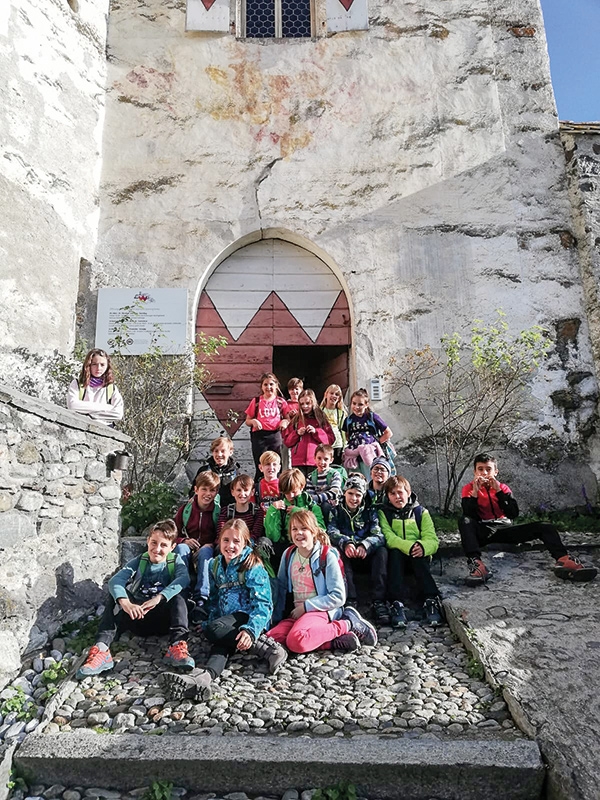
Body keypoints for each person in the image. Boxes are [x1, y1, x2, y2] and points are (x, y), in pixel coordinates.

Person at [163, 519, 287, 700]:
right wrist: (209, 620)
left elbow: (263, 604)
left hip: (250, 617)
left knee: (214, 631)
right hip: (227, 620)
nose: (230, 546)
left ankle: (268, 648)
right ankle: (203, 679)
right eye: (226, 540)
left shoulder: (252, 566)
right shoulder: (215, 565)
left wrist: (251, 631)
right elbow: (214, 598)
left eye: (236, 541)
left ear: (246, 543)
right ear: (219, 541)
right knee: (219, 642)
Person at [76, 520, 194, 678]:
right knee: (116, 593)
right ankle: (102, 649)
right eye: (154, 542)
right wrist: (126, 603)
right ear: (148, 541)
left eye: (163, 545)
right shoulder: (140, 561)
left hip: (164, 621)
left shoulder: (175, 561)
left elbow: (183, 579)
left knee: (179, 593)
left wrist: (159, 598)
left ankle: (177, 645)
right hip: (137, 616)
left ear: (172, 547)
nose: (157, 549)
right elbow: (115, 581)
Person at [459, 453, 597, 586]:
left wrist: (499, 492)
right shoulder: (468, 489)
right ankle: (477, 565)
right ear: (475, 472)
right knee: (464, 520)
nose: (484, 473)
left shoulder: (503, 488)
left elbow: (513, 513)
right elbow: (469, 514)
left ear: (496, 472)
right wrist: (475, 493)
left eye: (488, 469)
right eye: (480, 469)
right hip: (483, 530)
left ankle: (563, 560)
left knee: (545, 526)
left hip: (505, 528)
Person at [268, 510, 377, 653]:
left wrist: (306, 607)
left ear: (313, 531)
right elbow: (281, 588)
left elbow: (338, 596)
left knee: (296, 641)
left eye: (304, 528)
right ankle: (335, 641)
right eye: (294, 529)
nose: (299, 533)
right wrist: (276, 618)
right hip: (296, 613)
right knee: (271, 639)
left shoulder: (326, 556)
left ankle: (347, 624)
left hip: (320, 610)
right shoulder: (288, 554)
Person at [379, 475, 443, 629]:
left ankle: (431, 600)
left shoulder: (421, 512)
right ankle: (396, 603)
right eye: (392, 494)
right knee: (394, 552)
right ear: (387, 496)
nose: (397, 497)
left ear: (408, 492)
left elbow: (432, 540)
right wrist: (408, 546)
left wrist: (421, 546)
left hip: (418, 557)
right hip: (397, 558)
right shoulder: (384, 513)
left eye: (400, 492)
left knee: (418, 554)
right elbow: (388, 537)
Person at [326, 473, 388, 620]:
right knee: (335, 552)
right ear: (345, 493)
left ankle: (378, 601)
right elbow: (331, 531)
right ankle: (350, 601)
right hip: (347, 553)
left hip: (365, 554)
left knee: (382, 552)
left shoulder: (370, 511)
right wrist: (346, 542)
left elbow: (379, 535)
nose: (354, 498)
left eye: (358, 495)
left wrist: (365, 545)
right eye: (350, 494)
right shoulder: (336, 511)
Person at [174, 471, 220, 616]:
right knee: (181, 548)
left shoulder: (218, 511)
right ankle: (181, 591)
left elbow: (222, 533)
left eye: (212, 490)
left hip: (207, 549)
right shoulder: (186, 510)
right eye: (204, 489)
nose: (208, 494)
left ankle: (201, 598)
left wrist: (212, 544)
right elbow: (172, 534)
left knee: (205, 553)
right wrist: (183, 540)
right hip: (188, 548)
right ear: (196, 490)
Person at [264, 468, 326, 565]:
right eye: (286, 493)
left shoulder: (312, 506)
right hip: (287, 547)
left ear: (302, 487)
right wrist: (271, 512)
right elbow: (274, 537)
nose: (290, 496)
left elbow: (321, 529)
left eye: (294, 491)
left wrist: (300, 513)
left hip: (308, 547)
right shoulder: (280, 507)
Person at [245, 373, 291, 476]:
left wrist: (284, 422)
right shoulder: (256, 401)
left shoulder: (281, 402)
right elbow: (247, 420)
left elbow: (288, 419)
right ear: (262, 386)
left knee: (276, 463)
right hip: (259, 436)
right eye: (265, 384)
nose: (268, 387)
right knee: (260, 464)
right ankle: (259, 487)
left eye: (271, 384)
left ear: (276, 385)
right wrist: (253, 421)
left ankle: (276, 487)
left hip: (275, 435)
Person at [282, 389, 334, 476]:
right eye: (302, 404)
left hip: (316, 461)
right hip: (298, 461)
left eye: (307, 403)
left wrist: (316, 432)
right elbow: (287, 441)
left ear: (313, 403)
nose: (305, 406)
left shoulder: (321, 419)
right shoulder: (296, 420)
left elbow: (330, 439)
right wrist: (297, 433)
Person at [342, 389, 392, 479]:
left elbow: (388, 433)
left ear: (366, 404)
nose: (356, 407)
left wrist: (376, 444)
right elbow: (347, 436)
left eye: (360, 404)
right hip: (354, 457)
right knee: (356, 482)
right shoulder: (348, 420)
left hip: (370, 456)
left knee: (370, 480)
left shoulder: (372, 417)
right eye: (354, 403)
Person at [66, 348, 124, 426]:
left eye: (102, 365)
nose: (98, 368)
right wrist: (107, 408)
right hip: (81, 427)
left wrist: (89, 415)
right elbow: (73, 406)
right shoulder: (77, 384)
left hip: (105, 429)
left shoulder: (111, 388)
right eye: (94, 364)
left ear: (107, 366)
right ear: (88, 365)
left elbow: (118, 414)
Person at [189, 436, 239, 505]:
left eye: (223, 451)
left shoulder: (235, 473)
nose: (219, 454)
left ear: (230, 452)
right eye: (216, 451)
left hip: (228, 511)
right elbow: (194, 492)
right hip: (208, 510)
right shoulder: (204, 470)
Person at [217, 474, 265, 541]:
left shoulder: (257, 512)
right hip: (229, 543)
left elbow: (255, 534)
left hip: (249, 544)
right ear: (232, 492)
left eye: (246, 490)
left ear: (252, 492)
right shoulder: (226, 511)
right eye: (239, 490)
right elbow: (221, 532)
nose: (242, 494)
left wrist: (241, 543)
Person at [306, 443, 346, 516]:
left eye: (326, 459)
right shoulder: (310, 477)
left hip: (334, 507)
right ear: (314, 458)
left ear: (331, 460)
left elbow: (334, 492)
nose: (322, 462)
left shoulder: (335, 474)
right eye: (319, 458)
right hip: (317, 505)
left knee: (325, 506)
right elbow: (310, 496)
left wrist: (317, 498)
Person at [320, 384, 348, 465]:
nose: (334, 396)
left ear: (339, 398)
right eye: (331, 393)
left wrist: (345, 446)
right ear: (326, 395)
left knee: (336, 467)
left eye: (336, 394)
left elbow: (343, 430)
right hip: (324, 444)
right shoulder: (320, 411)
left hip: (337, 444)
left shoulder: (341, 413)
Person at [282, 377, 304, 470]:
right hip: (288, 436)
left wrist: (298, 415)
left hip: (300, 436)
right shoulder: (285, 404)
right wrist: (289, 416)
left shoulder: (304, 404)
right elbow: (283, 419)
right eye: (291, 389)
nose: (294, 391)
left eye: (296, 389)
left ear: (301, 390)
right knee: (286, 461)